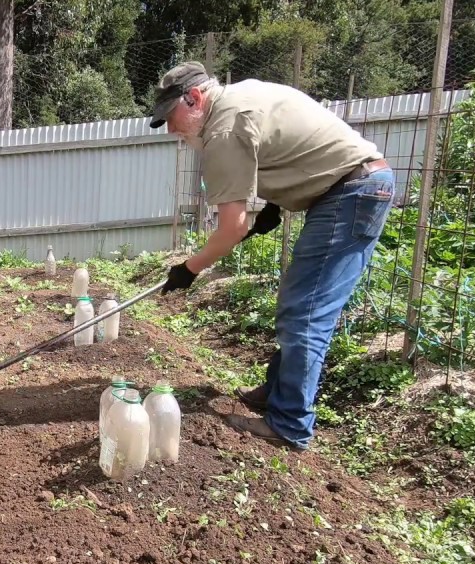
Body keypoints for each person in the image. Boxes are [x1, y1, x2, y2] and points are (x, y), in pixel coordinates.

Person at [152, 61, 395, 451]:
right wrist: (272, 205)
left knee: (306, 311)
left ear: (194, 98)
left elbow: (232, 228)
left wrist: (188, 269)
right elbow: (284, 147)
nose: (171, 128)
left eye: (171, 116)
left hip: (350, 193)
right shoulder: (240, 96)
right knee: (301, 303)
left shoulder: (223, 128)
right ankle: (279, 391)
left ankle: (290, 424)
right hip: (351, 187)